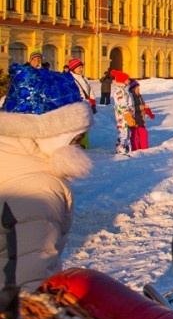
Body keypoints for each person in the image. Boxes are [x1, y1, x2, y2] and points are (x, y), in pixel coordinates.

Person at [0, 64, 93, 289]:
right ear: (54, 134)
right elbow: (28, 281)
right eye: (76, 137)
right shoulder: (39, 187)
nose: (79, 145)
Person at [109, 69, 134, 155]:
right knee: (123, 130)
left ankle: (125, 146)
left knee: (126, 130)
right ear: (122, 80)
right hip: (123, 115)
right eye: (127, 79)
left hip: (126, 114)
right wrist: (128, 113)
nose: (129, 81)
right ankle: (121, 148)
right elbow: (122, 104)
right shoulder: (120, 91)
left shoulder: (124, 90)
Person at [128, 79, 155, 151]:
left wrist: (147, 111)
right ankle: (135, 149)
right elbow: (132, 107)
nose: (139, 89)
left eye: (138, 87)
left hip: (140, 118)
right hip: (134, 118)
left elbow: (142, 105)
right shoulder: (131, 97)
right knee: (135, 135)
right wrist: (142, 107)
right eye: (137, 87)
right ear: (133, 88)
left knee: (143, 133)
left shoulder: (139, 96)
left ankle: (144, 148)